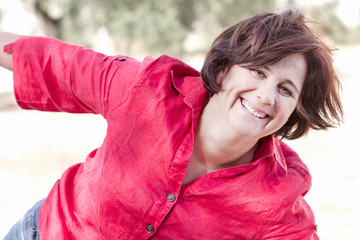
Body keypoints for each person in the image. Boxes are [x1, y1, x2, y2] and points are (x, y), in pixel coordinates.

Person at [0, 8, 342, 240]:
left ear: (295, 110)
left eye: (285, 89)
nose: (267, 95)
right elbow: (56, 63)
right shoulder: (148, 90)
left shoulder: (279, 198)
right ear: (224, 68)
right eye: (258, 71)